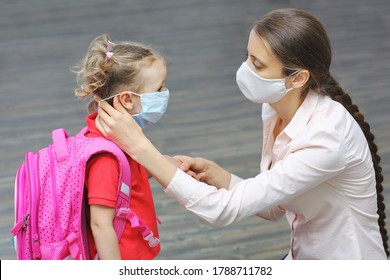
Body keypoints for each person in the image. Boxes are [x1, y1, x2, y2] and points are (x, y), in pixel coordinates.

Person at [95, 9, 389, 259]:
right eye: (247, 56)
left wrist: (141, 149)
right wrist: (217, 175)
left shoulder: (327, 138)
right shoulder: (275, 108)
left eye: (257, 64)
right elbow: (276, 206)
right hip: (304, 255)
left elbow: (222, 211)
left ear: (297, 78)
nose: (245, 69)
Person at [72, 34, 170, 259]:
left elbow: (124, 181)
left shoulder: (118, 137)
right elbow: (100, 225)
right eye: (159, 89)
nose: (164, 94)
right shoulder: (105, 156)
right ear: (127, 100)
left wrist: (166, 165)